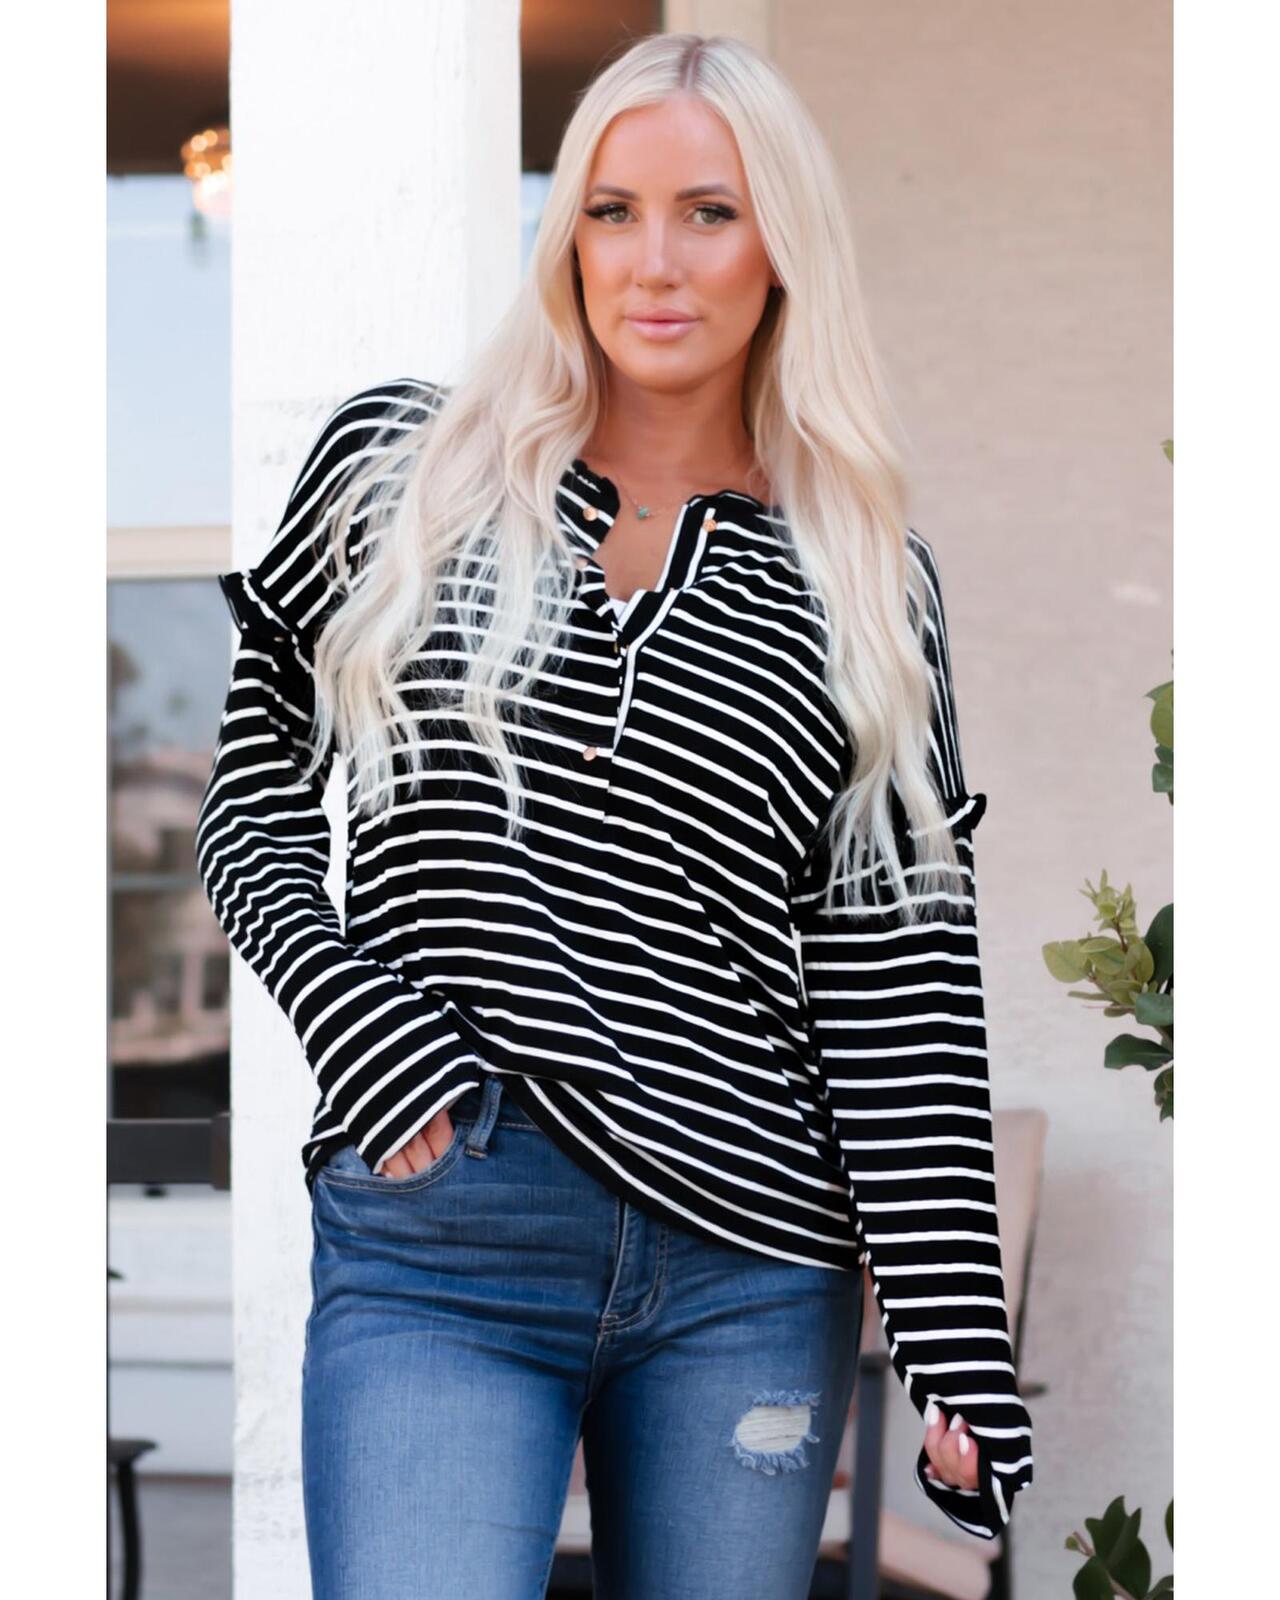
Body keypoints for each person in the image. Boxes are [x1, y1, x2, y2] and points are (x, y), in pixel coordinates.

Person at [196, 30, 1033, 1600]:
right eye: (611, 209)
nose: (654, 261)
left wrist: (955, 1337)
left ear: (783, 245)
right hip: (446, 1225)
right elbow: (252, 800)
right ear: (567, 235)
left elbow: (897, 983)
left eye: (709, 213)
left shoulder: (865, 580)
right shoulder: (400, 471)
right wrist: (353, 1012)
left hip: (753, 1261)